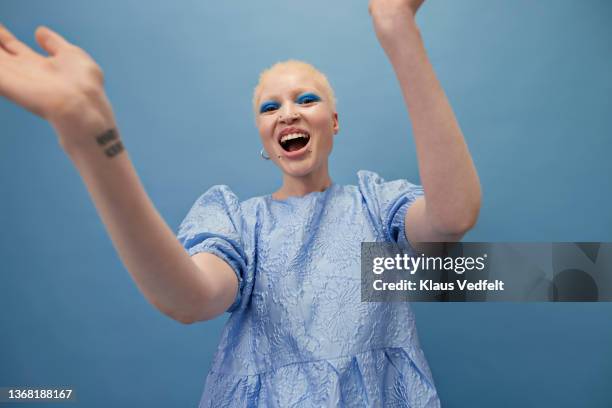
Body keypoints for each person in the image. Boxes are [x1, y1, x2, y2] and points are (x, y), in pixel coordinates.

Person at [0, 0, 481, 406]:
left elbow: (452, 217)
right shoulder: (238, 222)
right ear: (263, 137)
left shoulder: (375, 206)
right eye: (270, 107)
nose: (287, 112)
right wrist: (92, 138)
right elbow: (189, 297)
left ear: (334, 122)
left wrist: (398, 30)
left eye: (306, 99)